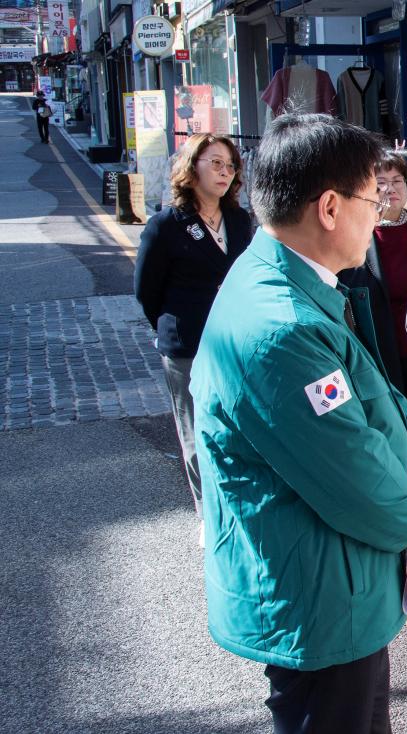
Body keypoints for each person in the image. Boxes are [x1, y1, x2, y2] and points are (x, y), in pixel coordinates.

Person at [189, 114, 407, 733]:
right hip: (319, 599)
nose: (383, 212)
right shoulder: (280, 327)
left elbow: (380, 403)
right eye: (374, 198)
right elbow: (355, 474)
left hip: (338, 586)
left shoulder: (296, 283)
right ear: (332, 207)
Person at [134, 133, 252, 539]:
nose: (224, 172)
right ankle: (208, 512)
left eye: (230, 166)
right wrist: (172, 324)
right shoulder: (166, 225)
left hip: (234, 340)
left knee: (236, 424)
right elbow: (146, 291)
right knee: (195, 429)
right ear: (193, 168)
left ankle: (236, 499)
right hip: (187, 343)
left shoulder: (239, 220)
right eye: (215, 163)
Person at [338, 152, 407, 435]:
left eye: (398, 181)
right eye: (381, 182)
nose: (390, 188)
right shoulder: (354, 237)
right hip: (376, 356)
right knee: (388, 431)